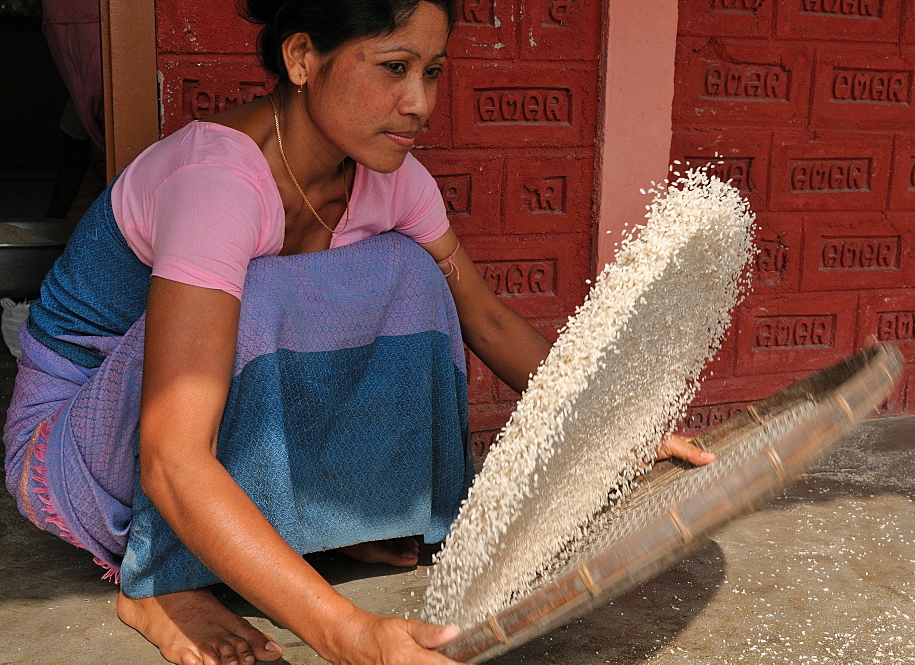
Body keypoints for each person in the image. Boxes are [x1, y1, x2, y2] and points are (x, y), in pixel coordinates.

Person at [2, 1, 714, 664]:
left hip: (174, 430)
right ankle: (158, 582)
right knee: (257, 296)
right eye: (393, 68)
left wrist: (617, 424)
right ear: (303, 57)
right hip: (72, 443)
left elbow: (486, 317)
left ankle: (315, 523)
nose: (421, 104)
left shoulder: (390, 176)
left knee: (413, 272)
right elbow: (169, 454)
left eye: (432, 72)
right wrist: (350, 632)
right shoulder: (218, 181)